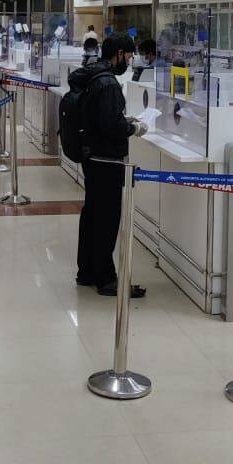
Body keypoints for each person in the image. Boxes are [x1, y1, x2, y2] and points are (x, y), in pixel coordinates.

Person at [69, 34, 148, 297]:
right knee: (107, 219)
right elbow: (110, 126)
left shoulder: (93, 76)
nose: (129, 60)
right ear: (119, 54)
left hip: (91, 157)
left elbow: (100, 117)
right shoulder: (109, 84)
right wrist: (132, 127)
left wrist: (120, 118)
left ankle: (87, 271)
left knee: (92, 214)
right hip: (107, 160)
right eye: (128, 55)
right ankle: (106, 279)